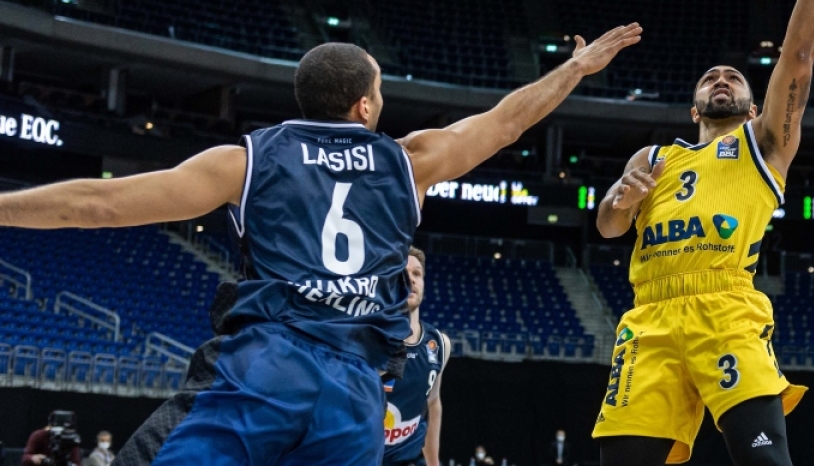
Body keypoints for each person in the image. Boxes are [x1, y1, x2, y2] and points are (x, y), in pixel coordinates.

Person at [0, 25, 641, 466]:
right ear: (364, 106)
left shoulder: (245, 161)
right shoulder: (408, 161)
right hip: (356, 391)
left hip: (265, 368)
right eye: (381, 91)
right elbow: (505, 123)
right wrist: (576, 68)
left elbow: (100, 204)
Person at [591, 0, 814, 466]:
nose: (721, 79)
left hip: (726, 310)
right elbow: (606, 226)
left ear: (753, 109)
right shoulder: (651, 158)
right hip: (648, 318)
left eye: (733, 77)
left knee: (763, 461)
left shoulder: (764, 145)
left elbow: (799, 58)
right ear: (693, 109)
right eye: (710, 78)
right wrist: (620, 200)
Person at [382, 247, 449, 466]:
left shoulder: (439, 343)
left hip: (407, 459)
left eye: (417, 274)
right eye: (402, 273)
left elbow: (433, 403)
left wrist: (433, 462)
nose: (411, 279)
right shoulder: (368, 339)